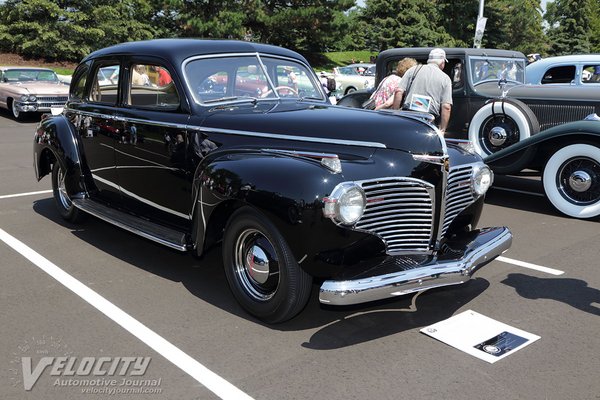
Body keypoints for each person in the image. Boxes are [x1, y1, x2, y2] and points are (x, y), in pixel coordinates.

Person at [392, 48, 452, 134]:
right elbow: (446, 107)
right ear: (442, 63)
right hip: (428, 120)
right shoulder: (445, 78)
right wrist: (442, 130)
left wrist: (396, 113)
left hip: (408, 116)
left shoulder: (413, 70)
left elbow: (398, 91)